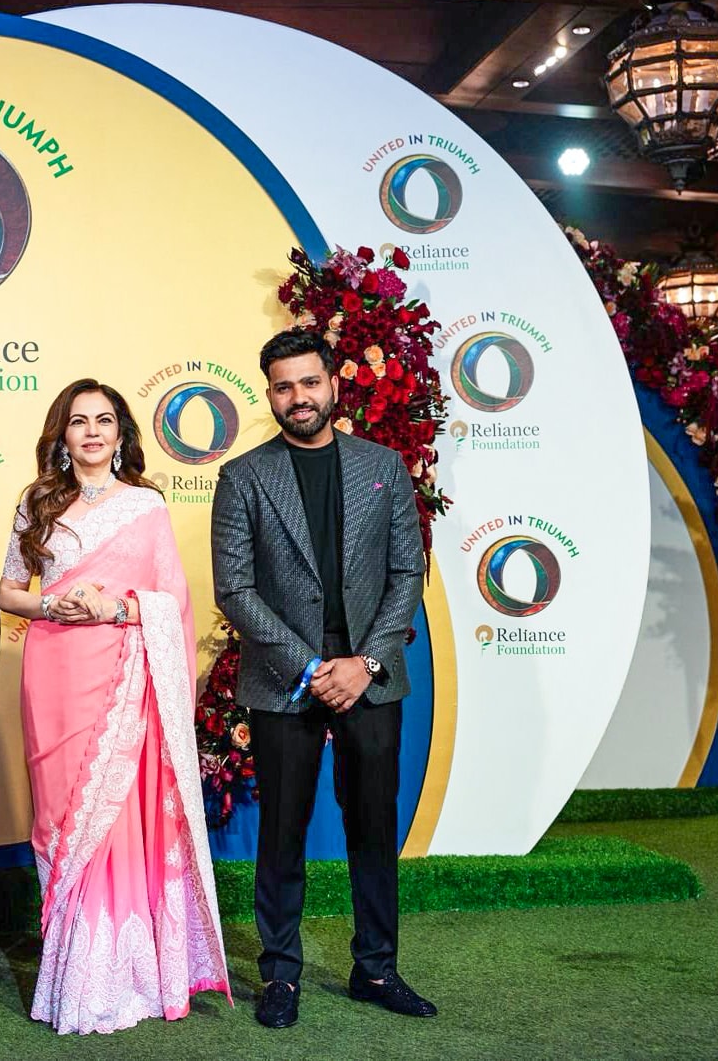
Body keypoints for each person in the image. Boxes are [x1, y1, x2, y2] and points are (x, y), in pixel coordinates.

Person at [211, 330, 435, 1030]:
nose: (296, 397)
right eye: (282, 386)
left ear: (333, 384)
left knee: (372, 826)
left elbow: (407, 573)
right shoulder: (243, 476)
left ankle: (376, 967)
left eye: (308, 383)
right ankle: (279, 976)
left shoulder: (383, 466)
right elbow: (234, 589)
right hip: (285, 679)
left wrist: (361, 662)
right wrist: (310, 667)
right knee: (281, 831)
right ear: (268, 393)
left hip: (369, 673)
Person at [0, 378, 231, 1035]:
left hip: (127, 676)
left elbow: (171, 601)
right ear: (61, 434)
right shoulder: (37, 503)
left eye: (104, 420)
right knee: (60, 814)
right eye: (79, 421)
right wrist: (53, 604)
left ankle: (126, 976)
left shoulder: (145, 506)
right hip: (53, 670)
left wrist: (115, 608)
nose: (92, 431)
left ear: (122, 434)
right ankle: (72, 968)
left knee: (121, 819)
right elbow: (9, 591)